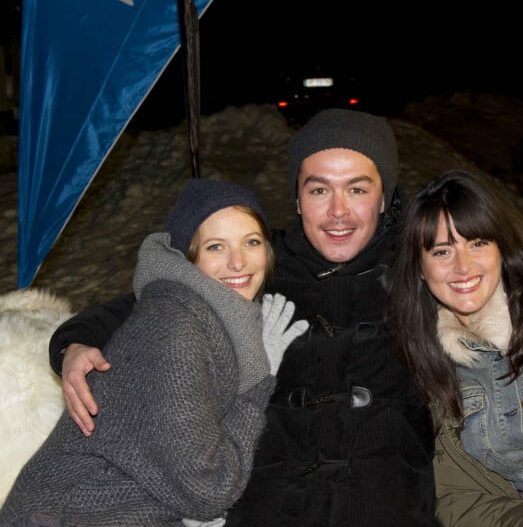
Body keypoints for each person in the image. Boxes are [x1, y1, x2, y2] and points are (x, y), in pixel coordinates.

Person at [47, 108, 438, 525]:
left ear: (384, 198)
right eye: (319, 190)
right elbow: (155, 303)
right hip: (270, 495)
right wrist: (75, 343)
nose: (337, 211)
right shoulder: (259, 270)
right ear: (297, 198)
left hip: (386, 496)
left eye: (357, 190)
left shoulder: (421, 270)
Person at [0, 179, 308, 526]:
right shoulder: (176, 330)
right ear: (188, 258)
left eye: (251, 242)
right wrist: (256, 388)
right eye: (216, 247)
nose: (238, 262)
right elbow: (209, 491)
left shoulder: (222, 316)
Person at [387, 169, 523, 526]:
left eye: (477, 243)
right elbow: (455, 499)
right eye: (442, 251)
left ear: (500, 248)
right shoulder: (426, 373)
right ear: (419, 268)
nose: (463, 267)